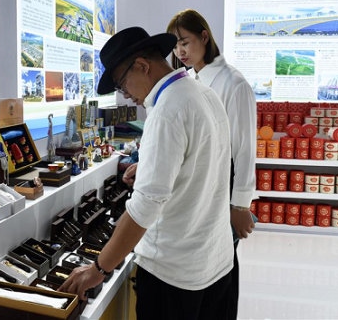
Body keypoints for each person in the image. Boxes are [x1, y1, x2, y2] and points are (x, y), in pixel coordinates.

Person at [57, 26, 234, 319]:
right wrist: (152, 166)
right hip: (215, 261)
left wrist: (99, 268)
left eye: (122, 84)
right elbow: (208, 158)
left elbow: (146, 207)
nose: (126, 96)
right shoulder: (203, 92)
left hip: (174, 274)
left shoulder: (167, 110)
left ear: (142, 65)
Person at [166, 8, 257, 318]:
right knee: (205, 260)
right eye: (176, 46)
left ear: (204, 37)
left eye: (185, 42)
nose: (180, 52)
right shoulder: (191, 80)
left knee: (223, 264)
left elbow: (244, 149)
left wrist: (240, 205)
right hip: (202, 183)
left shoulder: (234, 83)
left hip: (224, 184)